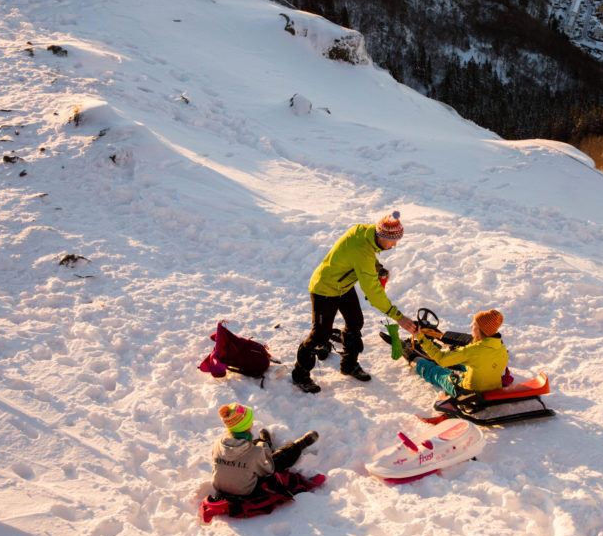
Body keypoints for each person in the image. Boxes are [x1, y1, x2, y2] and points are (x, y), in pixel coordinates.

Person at [290, 210, 417, 394]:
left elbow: (362, 257)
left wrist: (377, 268)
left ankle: (349, 365)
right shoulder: (363, 251)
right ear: (381, 236)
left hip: (343, 285)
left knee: (355, 322)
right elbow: (373, 292)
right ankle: (300, 374)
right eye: (393, 241)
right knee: (320, 334)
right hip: (324, 288)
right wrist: (399, 317)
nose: (395, 245)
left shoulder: (365, 233)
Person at [211, 403, 318, 498]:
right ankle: (299, 445)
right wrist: (263, 449)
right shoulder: (255, 452)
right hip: (245, 491)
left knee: (253, 449)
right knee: (277, 460)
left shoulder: (217, 444)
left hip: (220, 487)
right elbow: (268, 470)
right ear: (248, 426)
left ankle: (265, 442)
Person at [409, 309, 508, 397]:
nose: (470, 326)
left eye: (473, 324)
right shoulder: (501, 347)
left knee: (438, 373)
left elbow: (442, 360)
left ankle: (414, 359)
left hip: (468, 393)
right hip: (493, 387)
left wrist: (420, 337)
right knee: (471, 363)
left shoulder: (472, 350)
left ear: (479, 330)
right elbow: (478, 354)